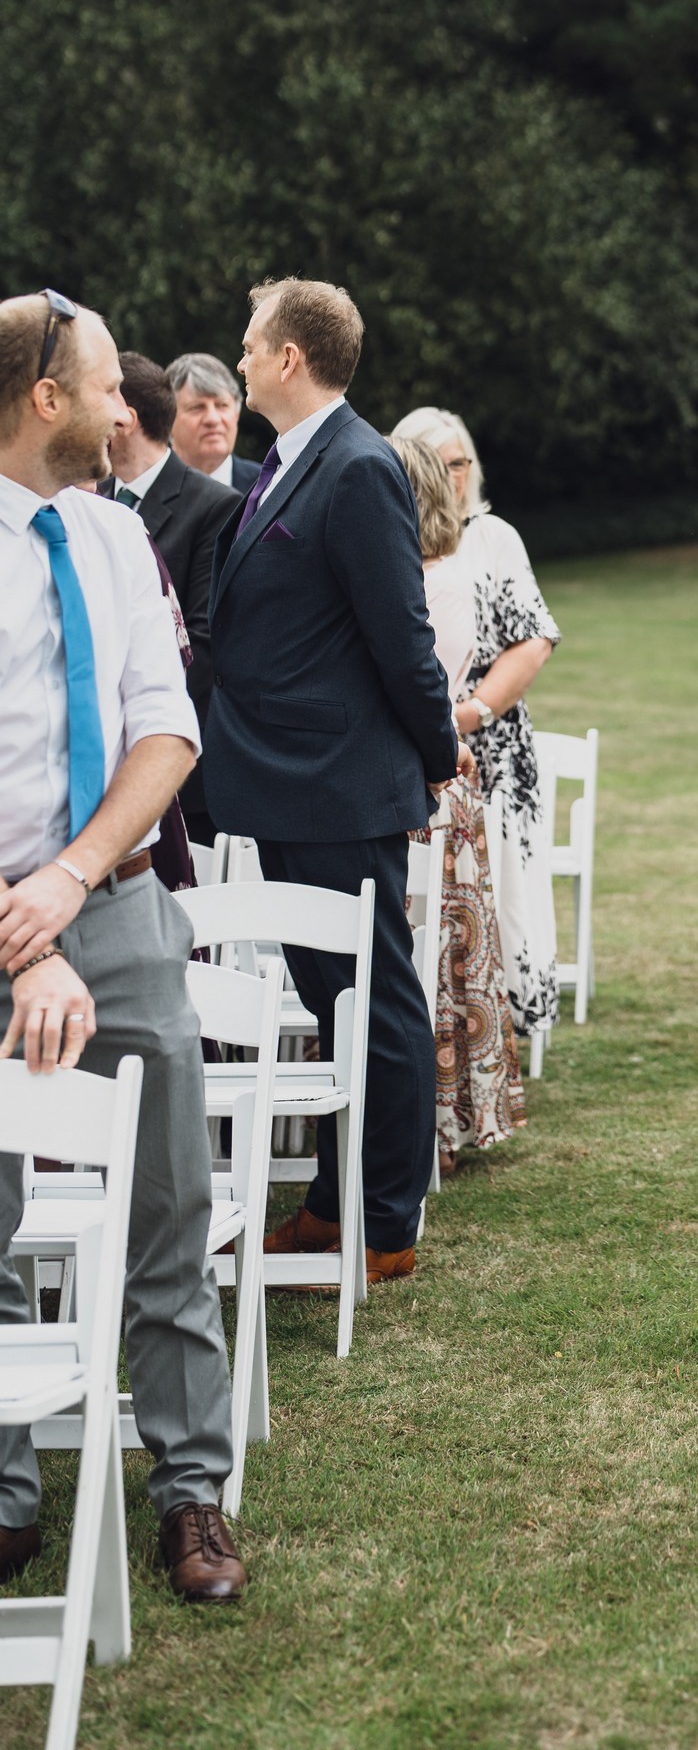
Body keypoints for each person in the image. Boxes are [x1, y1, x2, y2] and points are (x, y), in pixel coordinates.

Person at [0, 290, 245, 1601]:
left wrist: (78, 877)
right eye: (104, 389)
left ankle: (192, 1490)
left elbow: (167, 730)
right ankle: (2, 1491)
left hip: (124, 904)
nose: (125, 410)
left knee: (170, 1202)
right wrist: (22, 930)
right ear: (47, 399)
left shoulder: (114, 538)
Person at [205, 280, 462, 1282]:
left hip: (341, 780)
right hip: (284, 779)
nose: (238, 359)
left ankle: (386, 1221)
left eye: (249, 344)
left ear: (290, 359)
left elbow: (401, 634)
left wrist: (435, 754)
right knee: (331, 1000)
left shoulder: (357, 467)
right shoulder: (286, 463)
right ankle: (328, 1197)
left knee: (377, 1002)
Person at [391, 407, 562, 1043]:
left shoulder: (494, 537)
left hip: (492, 739)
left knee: (505, 890)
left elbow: (535, 638)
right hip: (420, 741)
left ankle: (504, 1030)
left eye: (458, 461)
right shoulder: (388, 536)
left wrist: (465, 714)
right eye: (434, 463)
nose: (450, 475)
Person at [390, 435, 527, 1167]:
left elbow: (423, 698)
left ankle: (442, 1125)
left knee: (441, 957)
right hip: (426, 775)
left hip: (430, 789)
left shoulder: (441, 584)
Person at [106, 352, 241, 844]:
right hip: (102, 762)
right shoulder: (92, 497)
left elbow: (204, 646)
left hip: (183, 764)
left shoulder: (215, 505)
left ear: (126, 419)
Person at [166, 350, 262, 494]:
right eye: (196, 407)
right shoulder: (143, 488)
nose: (213, 419)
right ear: (167, 419)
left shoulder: (268, 485)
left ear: (236, 414)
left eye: (222, 405)